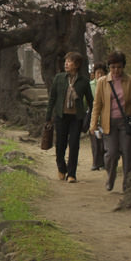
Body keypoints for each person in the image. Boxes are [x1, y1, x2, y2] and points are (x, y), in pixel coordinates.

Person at [90, 51, 131, 192]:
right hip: (108, 122)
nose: (116, 70)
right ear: (109, 67)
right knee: (111, 153)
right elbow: (97, 105)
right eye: (113, 67)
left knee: (129, 153)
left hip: (127, 122)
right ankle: (110, 177)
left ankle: (127, 184)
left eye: (119, 67)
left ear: (123, 67)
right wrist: (93, 124)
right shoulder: (103, 82)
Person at [45, 51, 93, 183]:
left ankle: (72, 174)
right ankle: (61, 167)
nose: (66, 63)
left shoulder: (84, 81)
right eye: (66, 61)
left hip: (76, 118)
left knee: (74, 144)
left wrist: (90, 118)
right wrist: (48, 116)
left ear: (77, 65)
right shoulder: (59, 78)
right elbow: (52, 98)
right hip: (61, 116)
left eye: (70, 61)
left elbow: (90, 101)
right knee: (60, 144)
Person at [87, 63, 108, 171]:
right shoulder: (90, 85)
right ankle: (96, 163)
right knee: (95, 142)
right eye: (97, 73)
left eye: (101, 73)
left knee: (104, 142)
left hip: (106, 117)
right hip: (94, 117)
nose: (99, 75)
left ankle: (104, 162)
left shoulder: (109, 85)